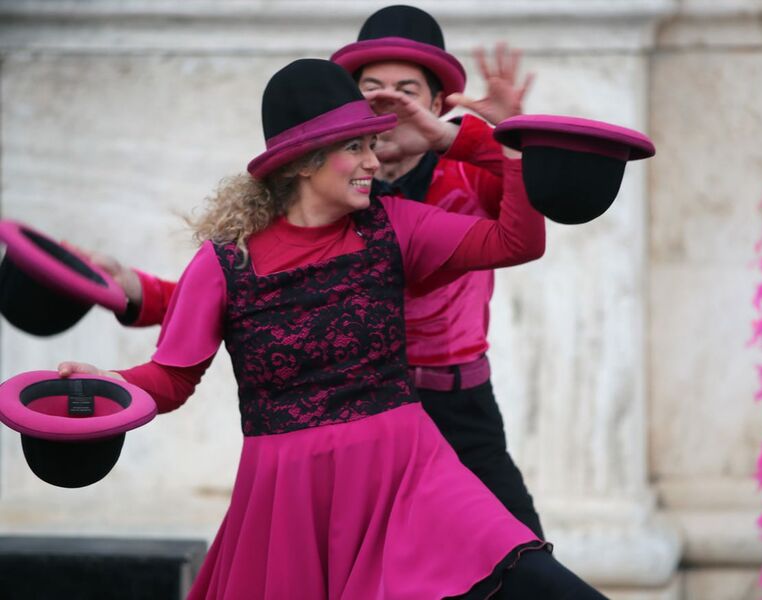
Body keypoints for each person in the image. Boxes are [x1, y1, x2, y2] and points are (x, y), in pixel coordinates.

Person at [58, 59, 607, 599]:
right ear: (302, 162)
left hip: (411, 475)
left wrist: (501, 143)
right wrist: (107, 384)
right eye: (356, 147)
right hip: (291, 500)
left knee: (539, 585)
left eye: (371, 144)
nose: (374, 159)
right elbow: (171, 377)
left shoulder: (395, 225)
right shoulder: (224, 264)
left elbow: (517, 242)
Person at [89, 5, 546, 539]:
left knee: (519, 555)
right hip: (366, 417)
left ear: (436, 104)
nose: (390, 102)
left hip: (456, 405)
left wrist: (470, 137)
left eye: (406, 90)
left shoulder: (464, 174)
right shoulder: (325, 201)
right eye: (371, 89)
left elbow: (528, 221)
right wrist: (134, 295)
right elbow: (265, 304)